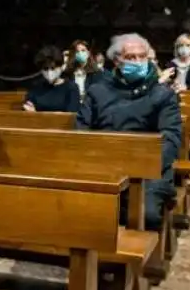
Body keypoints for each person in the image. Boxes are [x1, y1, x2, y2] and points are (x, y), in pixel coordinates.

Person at [76, 33, 182, 231]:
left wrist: (141, 165)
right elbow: (82, 131)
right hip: (104, 167)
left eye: (142, 56)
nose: (138, 62)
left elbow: (171, 137)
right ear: (117, 60)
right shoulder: (98, 91)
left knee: (145, 214)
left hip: (148, 172)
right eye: (131, 57)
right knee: (76, 209)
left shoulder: (162, 94)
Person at [23, 45, 80, 112]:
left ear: (61, 67)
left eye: (53, 68)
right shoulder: (35, 87)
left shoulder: (71, 88)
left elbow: (71, 115)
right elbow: (28, 109)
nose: (49, 73)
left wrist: (37, 113)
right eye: (45, 69)